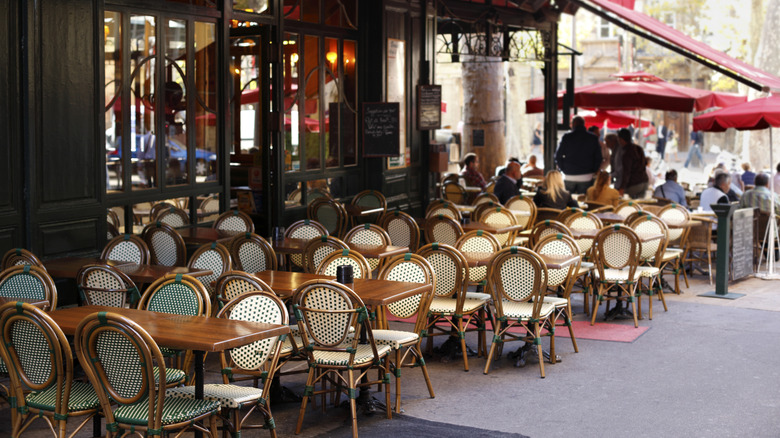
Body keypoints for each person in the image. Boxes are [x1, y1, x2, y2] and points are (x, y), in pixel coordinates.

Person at [554, 116, 602, 194]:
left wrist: (563, 169)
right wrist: (593, 170)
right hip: (587, 176)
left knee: (567, 201)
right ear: (583, 124)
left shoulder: (567, 137)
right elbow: (598, 157)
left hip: (569, 175)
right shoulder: (593, 138)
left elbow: (558, 156)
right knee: (583, 201)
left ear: (573, 124)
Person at [617, 128, 649, 199]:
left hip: (634, 184)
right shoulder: (638, 148)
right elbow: (645, 163)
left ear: (621, 139)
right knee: (640, 206)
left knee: (629, 206)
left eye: (618, 139)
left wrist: (622, 187)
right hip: (645, 181)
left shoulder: (627, 153)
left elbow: (626, 172)